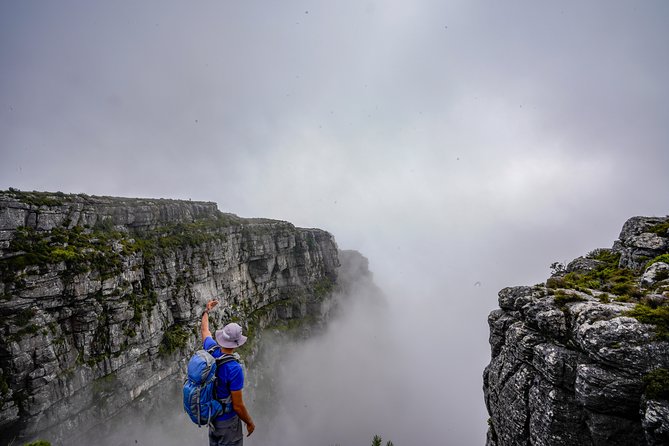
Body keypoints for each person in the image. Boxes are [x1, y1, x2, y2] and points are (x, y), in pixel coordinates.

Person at [201, 299, 255, 445]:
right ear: (236, 343)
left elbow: (205, 330)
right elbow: (238, 405)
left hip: (213, 418)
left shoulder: (211, 349)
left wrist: (206, 311)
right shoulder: (234, 369)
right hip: (228, 424)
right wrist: (249, 422)